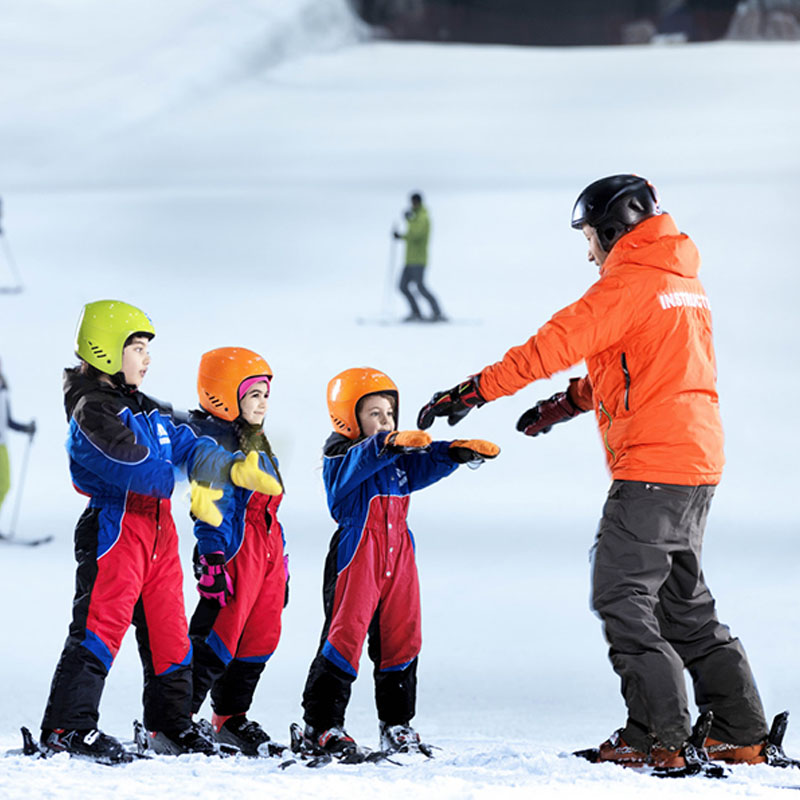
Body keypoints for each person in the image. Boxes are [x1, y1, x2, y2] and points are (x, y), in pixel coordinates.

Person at [416, 175, 776, 771]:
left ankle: (656, 737)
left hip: (653, 466)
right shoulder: (680, 282)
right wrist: (567, 405)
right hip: (695, 463)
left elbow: (547, 347)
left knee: (621, 595)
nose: (588, 251)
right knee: (682, 605)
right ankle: (738, 731)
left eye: (589, 236)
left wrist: (473, 392)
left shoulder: (627, 285)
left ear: (613, 230)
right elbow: (647, 367)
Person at [40, 300, 281, 763]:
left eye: (147, 348)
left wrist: (228, 467)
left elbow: (190, 444)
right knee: (98, 629)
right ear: (106, 349)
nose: (146, 358)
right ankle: (67, 728)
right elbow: (133, 465)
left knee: (170, 636)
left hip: (158, 533)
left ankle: (170, 727)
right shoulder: (93, 412)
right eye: (136, 347)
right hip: (116, 528)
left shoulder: (147, 408)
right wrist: (178, 462)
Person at [296, 367, 499, 759]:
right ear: (348, 418)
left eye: (390, 413)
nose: (385, 421)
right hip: (358, 551)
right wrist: (386, 443)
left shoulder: (395, 457)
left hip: (399, 551)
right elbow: (356, 466)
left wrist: (455, 452)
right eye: (374, 413)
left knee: (402, 637)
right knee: (345, 636)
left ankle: (397, 724)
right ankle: (321, 727)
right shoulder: (341, 457)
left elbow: (422, 461)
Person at [186, 347, 288, 757]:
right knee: (216, 639)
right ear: (226, 396)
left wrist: (281, 566)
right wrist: (211, 557)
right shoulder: (215, 444)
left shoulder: (259, 442)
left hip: (265, 558)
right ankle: (176, 718)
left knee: (259, 640)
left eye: (266, 394)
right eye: (254, 395)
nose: (263, 403)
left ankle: (230, 717)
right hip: (233, 554)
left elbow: (273, 512)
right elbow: (207, 506)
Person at [393, 192, 445, 322]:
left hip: (419, 260)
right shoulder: (415, 217)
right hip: (409, 260)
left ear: (418, 202)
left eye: (414, 202)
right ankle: (416, 312)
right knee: (402, 286)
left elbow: (417, 236)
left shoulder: (423, 217)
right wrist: (400, 236)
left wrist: (410, 220)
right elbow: (411, 235)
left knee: (420, 287)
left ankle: (437, 312)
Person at [0, 358, 36, 531]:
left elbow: (7, 421)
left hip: (1, 445)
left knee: (4, 485)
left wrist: (25, 428)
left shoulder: (3, 390)